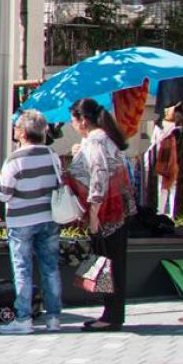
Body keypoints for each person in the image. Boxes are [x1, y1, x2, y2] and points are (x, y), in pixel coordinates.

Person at [0, 109, 65, 334]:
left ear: (23, 133)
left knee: (22, 268)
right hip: (49, 217)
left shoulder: (15, 159)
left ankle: (24, 318)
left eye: (17, 128)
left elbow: (4, 194)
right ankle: (53, 317)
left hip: (21, 219)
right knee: (50, 267)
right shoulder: (52, 155)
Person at [67, 96, 131, 331]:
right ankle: (110, 313)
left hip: (106, 213)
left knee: (107, 262)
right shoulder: (103, 139)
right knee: (109, 262)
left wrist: (94, 211)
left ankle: (111, 316)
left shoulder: (96, 141)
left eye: (73, 119)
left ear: (83, 120)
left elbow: (99, 174)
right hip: (116, 211)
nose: (72, 124)